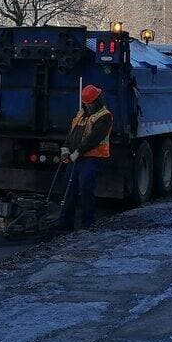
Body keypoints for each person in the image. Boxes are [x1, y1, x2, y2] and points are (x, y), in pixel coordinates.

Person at [58, 84, 114, 232]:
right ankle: (65, 223)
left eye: (90, 103)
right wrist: (65, 150)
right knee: (69, 188)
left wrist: (76, 154)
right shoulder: (81, 115)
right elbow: (71, 135)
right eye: (86, 103)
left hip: (93, 158)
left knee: (85, 187)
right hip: (76, 158)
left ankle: (88, 223)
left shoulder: (104, 116)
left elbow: (93, 140)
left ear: (97, 101)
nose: (88, 105)